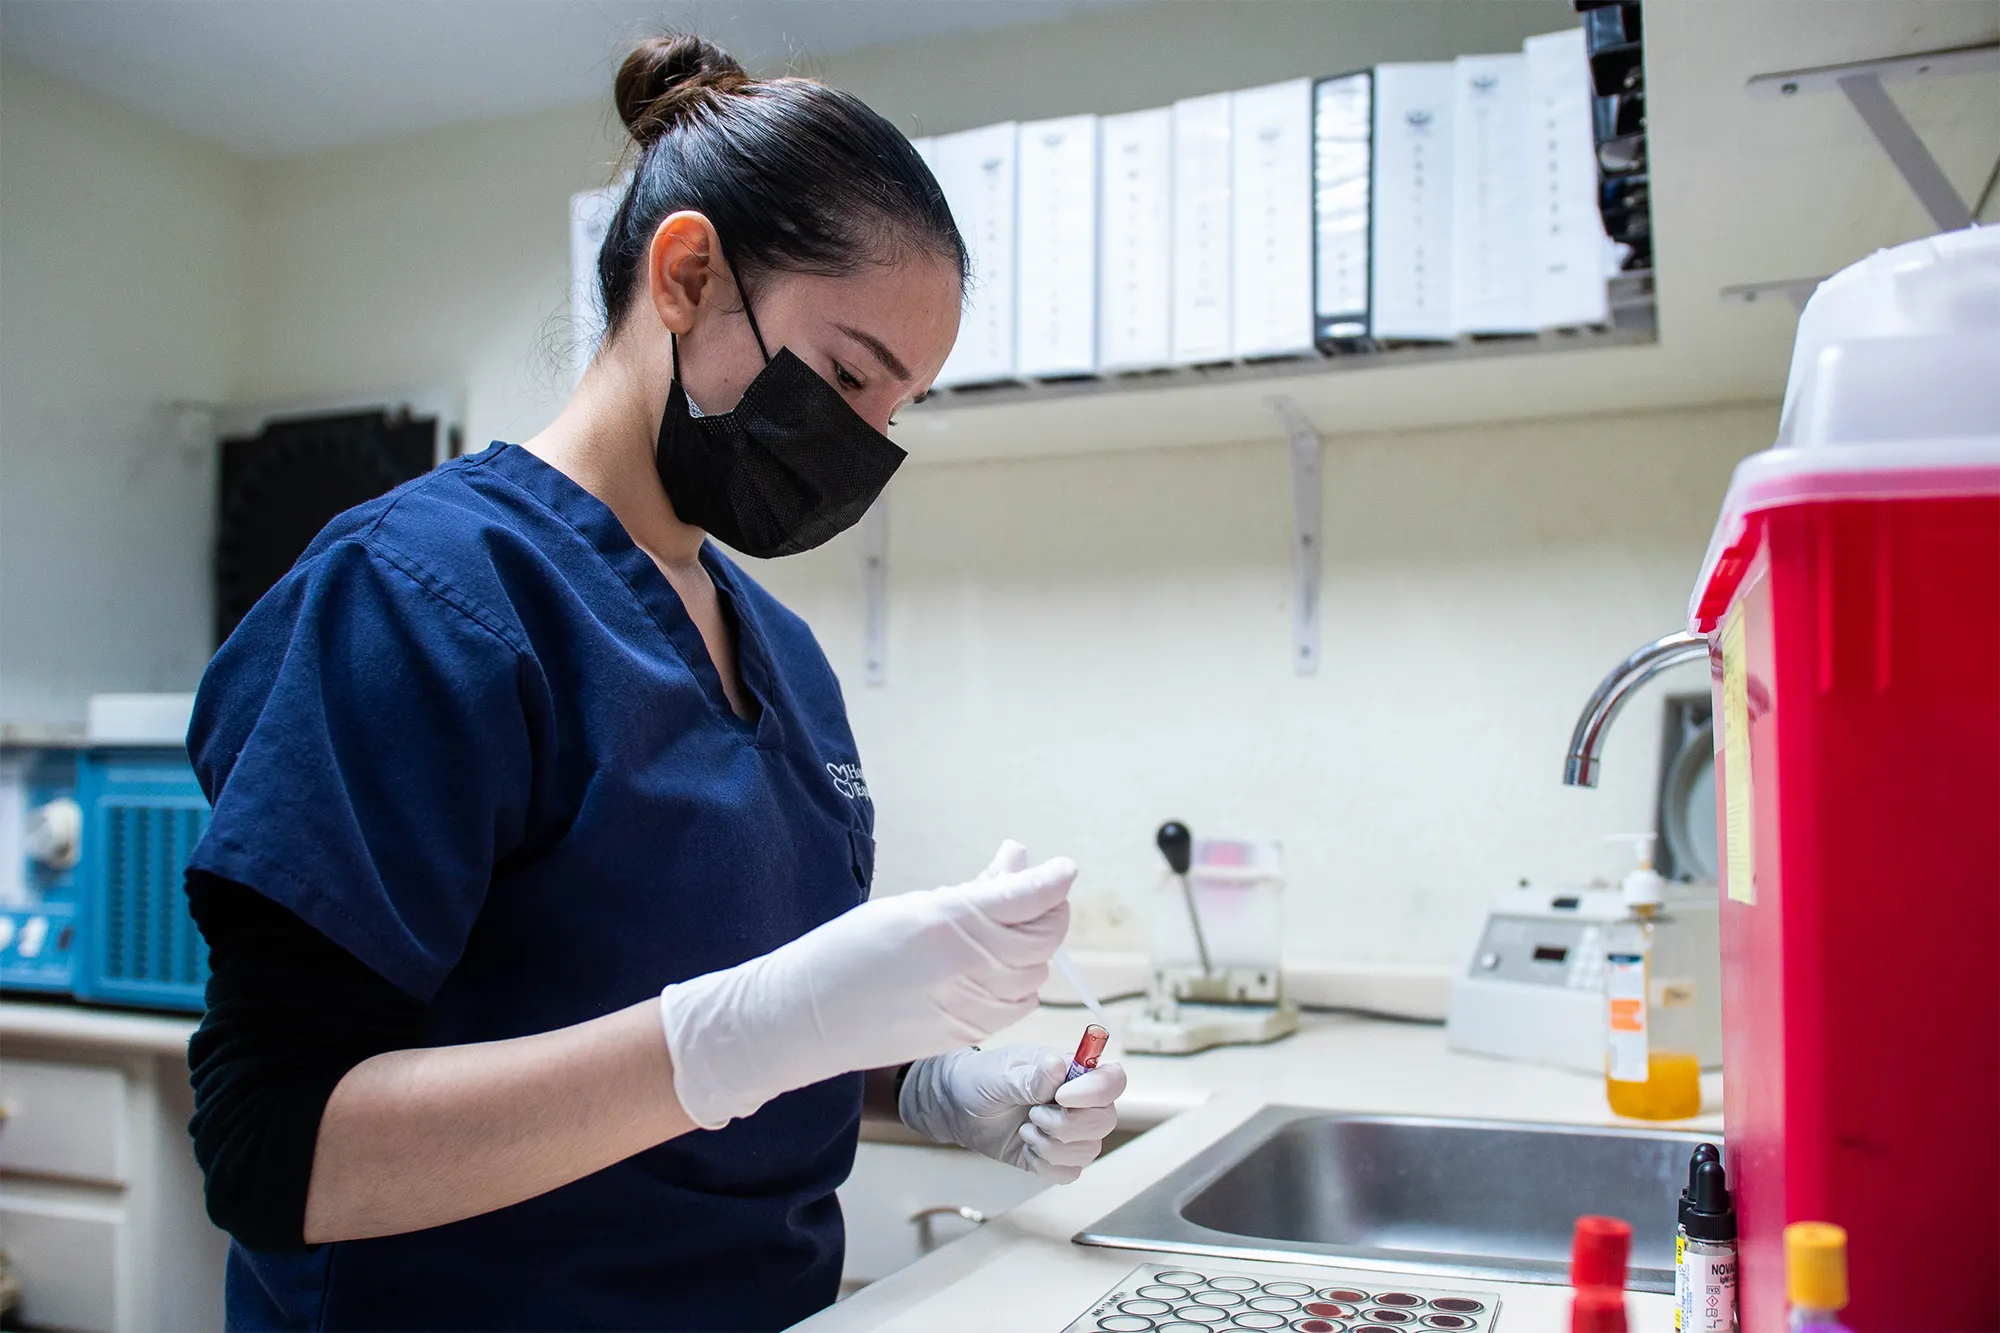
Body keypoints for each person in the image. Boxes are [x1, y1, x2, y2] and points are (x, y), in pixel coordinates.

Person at [181, 33, 1126, 1332]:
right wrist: (756, 1032)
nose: (860, 442)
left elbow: (724, 1032)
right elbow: (273, 1146)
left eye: (895, 407)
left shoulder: (780, 657)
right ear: (686, 275)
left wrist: (917, 1079)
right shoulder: (422, 595)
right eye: (847, 374)